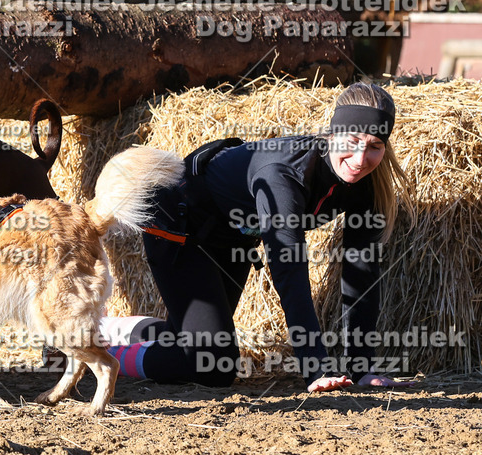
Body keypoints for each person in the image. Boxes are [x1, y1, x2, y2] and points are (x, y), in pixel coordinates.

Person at [103, 82, 412, 392]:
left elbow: (361, 274)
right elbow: (289, 271)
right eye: (353, 141)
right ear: (333, 133)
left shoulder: (368, 184)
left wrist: (361, 369)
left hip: (231, 239)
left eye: (374, 146)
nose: (360, 159)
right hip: (178, 225)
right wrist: (317, 369)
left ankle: (106, 329)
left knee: (195, 342)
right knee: (210, 363)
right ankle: (99, 355)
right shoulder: (284, 173)